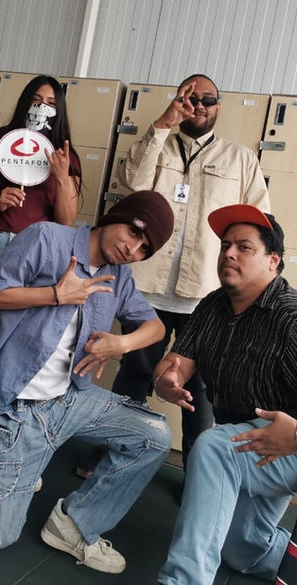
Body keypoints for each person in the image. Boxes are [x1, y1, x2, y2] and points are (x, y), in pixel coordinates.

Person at [0, 191, 174, 573]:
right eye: (133, 232)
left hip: (70, 399)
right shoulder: (46, 238)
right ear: (115, 216)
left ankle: (74, 524)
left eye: (145, 248)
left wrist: (120, 344)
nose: (133, 249)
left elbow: (156, 327)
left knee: (154, 435)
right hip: (17, 411)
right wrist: (56, 295)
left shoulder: (119, 276)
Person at [110, 73, 271, 467]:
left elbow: (259, 222)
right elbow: (131, 182)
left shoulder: (240, 159)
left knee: (200, 387)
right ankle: (113, 452)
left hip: (205, 296)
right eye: (190, 97)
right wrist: (163, 124)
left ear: (219, 106)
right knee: (135, 372)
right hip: (147, 289)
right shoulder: (157, 144)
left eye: (207, 99)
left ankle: (198, 470)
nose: (199, 105)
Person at [152, 204, 297, 584]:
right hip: (253, 447)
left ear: (273, 260)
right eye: (225, 245)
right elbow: (177, 363)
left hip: (289, 444)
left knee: (214, 447)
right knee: (242, 549)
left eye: (244, 247)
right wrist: (167, 379)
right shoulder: (213, 305)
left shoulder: (291, 318)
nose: (229, 253)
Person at [0, 74, 81, 256]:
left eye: (51, 103)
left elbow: (66, 221)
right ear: (25, 102)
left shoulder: (64, 156)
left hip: (37, 245)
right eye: (35, 100)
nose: (42, 107)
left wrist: (62, 178)